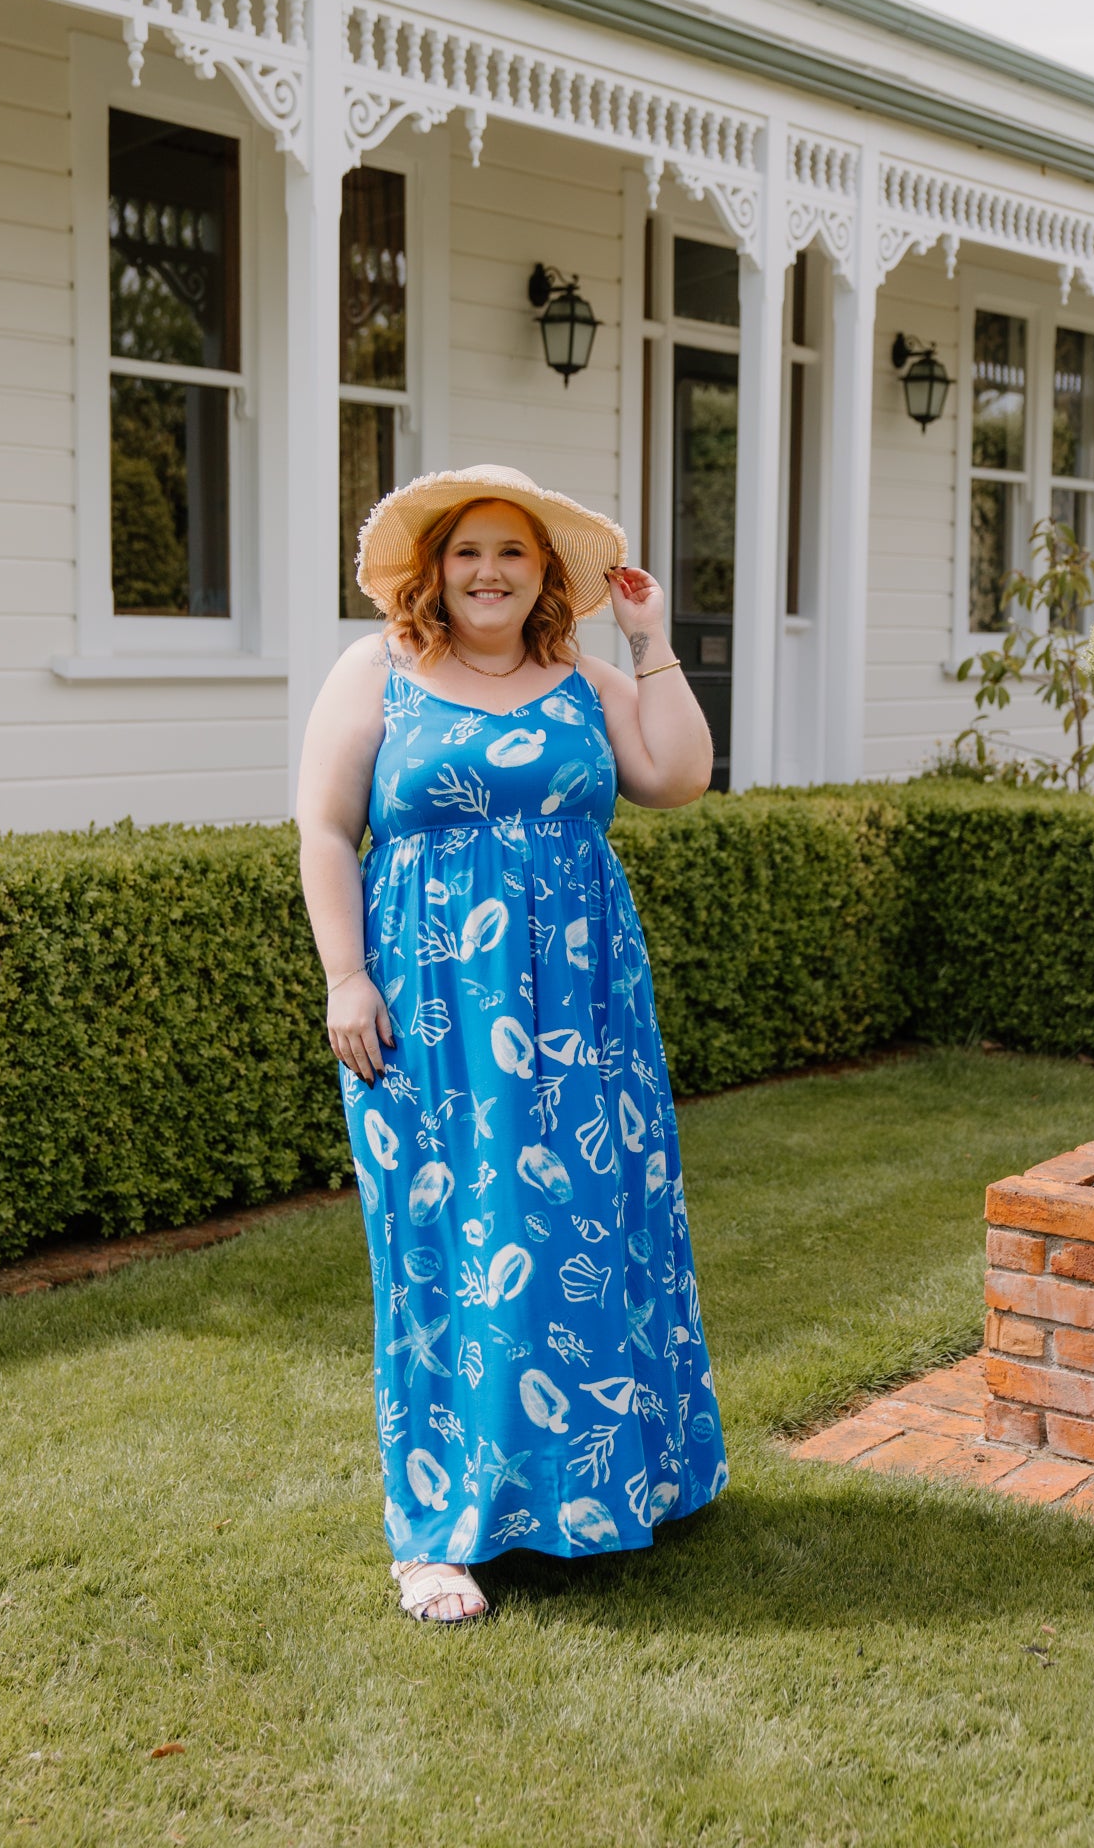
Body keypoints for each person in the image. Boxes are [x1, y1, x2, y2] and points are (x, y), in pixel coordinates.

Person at [297, 464, 727, 1624]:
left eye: (513, 552)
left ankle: (618, 1480)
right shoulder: (376, 670)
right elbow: (326, 828)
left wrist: (650, 639)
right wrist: (346, 975)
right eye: (468, 551)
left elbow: (680, 775)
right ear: (435, 568)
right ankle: (436, 1532)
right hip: (431, 1010)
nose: (488, 572)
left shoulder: (585, 680)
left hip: (586, 1010)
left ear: (546, 573)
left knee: (598, 1223)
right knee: (445, 1239)